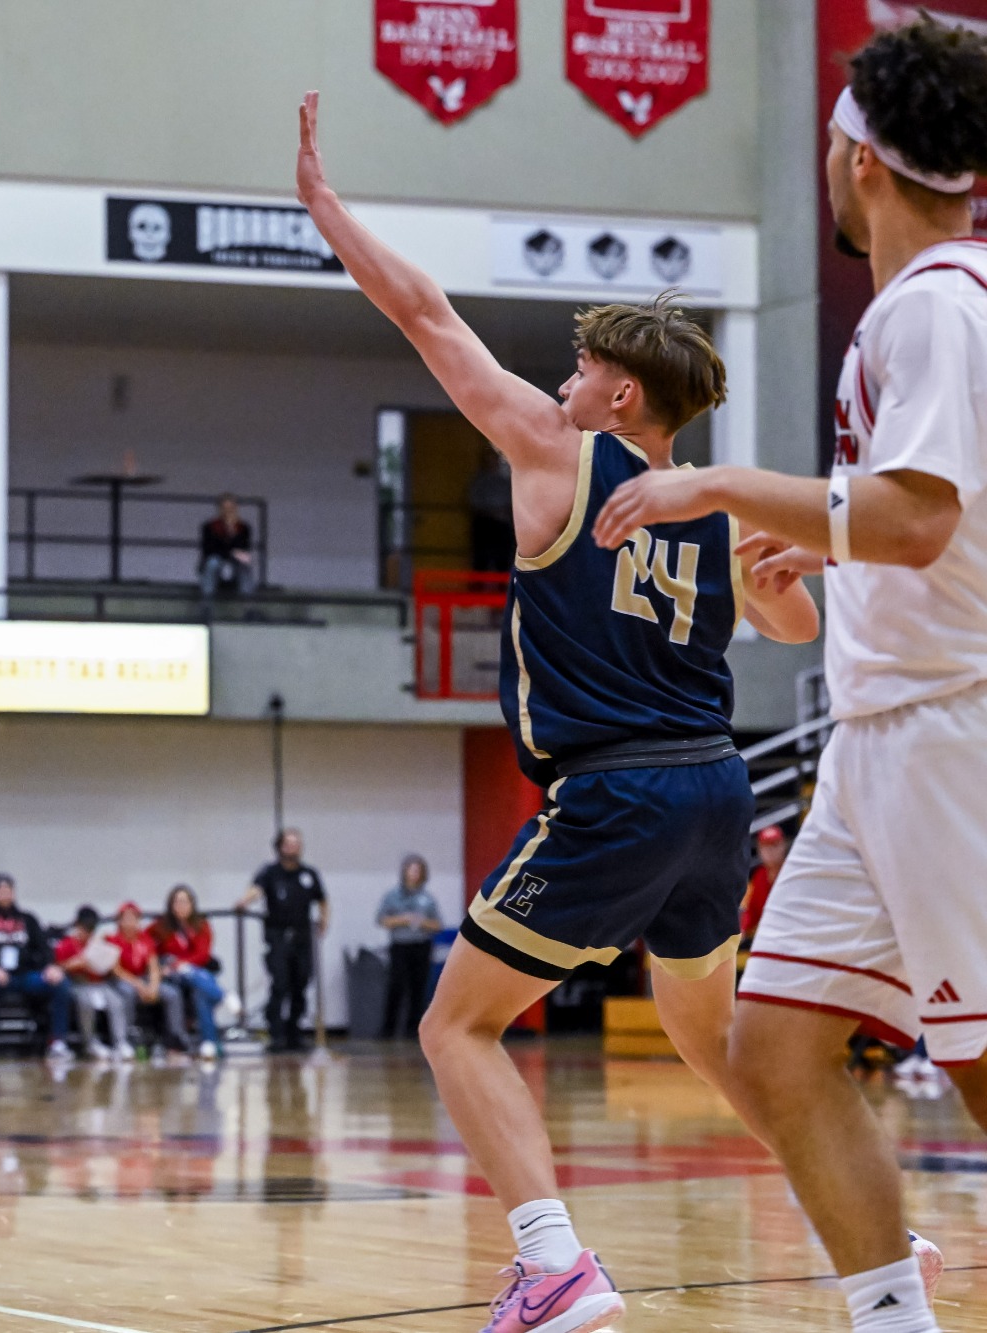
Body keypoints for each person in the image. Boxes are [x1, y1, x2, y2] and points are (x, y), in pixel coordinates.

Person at [295, 88, 824, 1333]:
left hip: (620, 788)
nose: (561, 378)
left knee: (452, 1026)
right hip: (717, 788)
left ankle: (552, 1264)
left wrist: (326, 210)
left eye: (582, 366)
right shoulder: (708, 496)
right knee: (713, 1040)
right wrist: (769, 580)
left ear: (621, 399)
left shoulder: (554, 451)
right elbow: (793, 630)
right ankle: (850, 1208)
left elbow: (423, 315)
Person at [587, 22, 987, 1332]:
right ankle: (893, 1320)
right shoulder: (912, 309)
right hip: (880, 735)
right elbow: (909, 539)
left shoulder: (939, 304)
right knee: (777, 1046)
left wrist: (709, 482)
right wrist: (806, 574)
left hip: (953, 734)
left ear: (855, 153)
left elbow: (921, 519)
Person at [0, 873, 71, 1063]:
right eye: (0, 890)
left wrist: (50, 967)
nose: (4, 894)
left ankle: (57, 1041)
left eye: (8, 890)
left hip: (26, 975)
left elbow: (44, 947)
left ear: (13, 893)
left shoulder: (27, 919)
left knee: (60, 983)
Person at [237, 828, 329, 1052]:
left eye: (297, 843)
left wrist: (324, 921)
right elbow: (256, 889)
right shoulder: (269, 872)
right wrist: (244, 901)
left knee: (301, 983)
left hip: (302, 937)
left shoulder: (308, 874)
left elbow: (322, 900)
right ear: (279, 847)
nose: (293, 847)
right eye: (288, 843)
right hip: (277, 936)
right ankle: (276, 1033)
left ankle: (294, 1032)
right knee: (280, 984)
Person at [152, 884, 225, 1059]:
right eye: (177, 902)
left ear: (192, 904)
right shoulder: (160, 926)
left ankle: (209, 1043)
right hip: (170, 975)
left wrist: (181, 964)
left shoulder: (202, 925)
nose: (181, 906)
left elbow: (202, 955)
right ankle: (224, 996)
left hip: (194, 973)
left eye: (185, 902)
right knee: (197, 979)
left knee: (200, 988)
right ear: (171, 905)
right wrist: (160, 968)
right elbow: (146, 947)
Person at [107, 900, 186, 1059]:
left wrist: (153, 986)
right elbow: (116, 970)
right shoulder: (113, 940)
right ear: (120, 921)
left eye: (134, 918)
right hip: (123, 980)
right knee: (127, 994)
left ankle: (176, 1039)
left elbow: (153, 966)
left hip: (143, 978)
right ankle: (126, 1039)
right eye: (126, 918)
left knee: (172, 994)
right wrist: (139, 986)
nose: (130, 922)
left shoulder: (145, 939)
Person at [376, 854, 442, 1040]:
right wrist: (403, 919)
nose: (414, 874)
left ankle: (413, 1030)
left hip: (421, 945)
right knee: (396, 986)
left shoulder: (427, 898)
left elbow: (438, 924)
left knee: (418, 988)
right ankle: (388, 1030)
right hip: (400, 945)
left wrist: (422, 922)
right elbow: (382, 919)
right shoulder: (392, 896)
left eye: (417, 870)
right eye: (411, 870)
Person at [53, 905, 127, 1059]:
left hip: (100, 983)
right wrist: (72, 964)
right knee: (85, 1003)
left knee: (116, 1001)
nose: (87, 934)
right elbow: (57, 968)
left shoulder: (101, 942)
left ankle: (120, 1042)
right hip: (79, 983)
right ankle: (90, 1043)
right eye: (84, 929)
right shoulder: (66, 944)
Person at [198, 493, 256, 606]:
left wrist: (232, 532)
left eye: (231, 508)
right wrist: (231, 551)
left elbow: (244, 547)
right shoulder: (210, 527)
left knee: (245, 564)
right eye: (225, 508)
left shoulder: (243, 528)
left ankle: (248, 605)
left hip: (235, 559)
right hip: (216, 557)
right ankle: (207, 603)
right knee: (212, 564)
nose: (228, 511)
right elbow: (209, 549)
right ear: (220, 509)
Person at [737, 826, 786, 945]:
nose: (770, 851)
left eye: (774, 845)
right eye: (765, 846)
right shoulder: (760, 876)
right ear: (759, 849)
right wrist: (742, 930)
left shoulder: (791, 873)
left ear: (783, 846)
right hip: (769, 938)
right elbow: (752, 911)